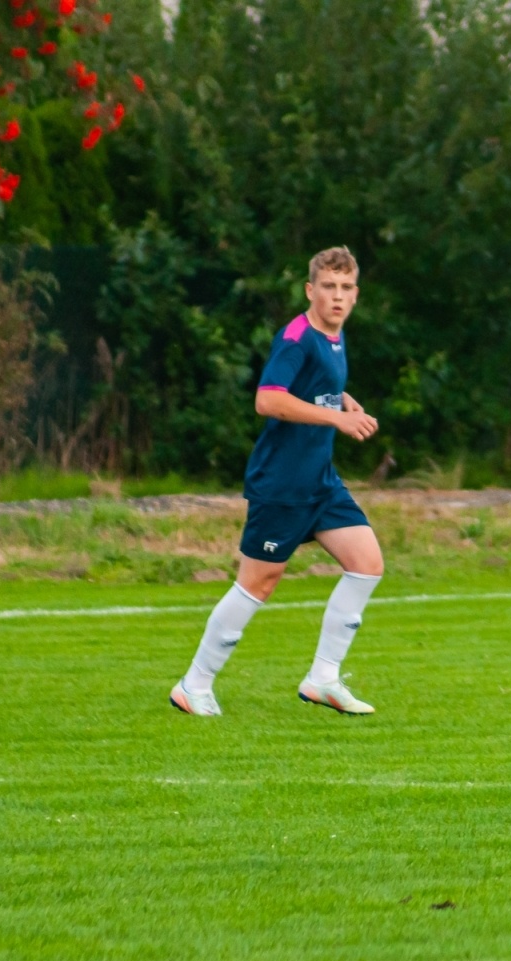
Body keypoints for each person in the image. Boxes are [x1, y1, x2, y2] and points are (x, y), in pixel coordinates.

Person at [169, 246, 384, 717]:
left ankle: (323, 679)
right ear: (311, 290)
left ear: (355, 295)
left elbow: (315, 384)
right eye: (328, 287)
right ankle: (194, 684)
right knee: (258, 584)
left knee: (367, 564)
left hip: (320, 482)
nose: (337, 296)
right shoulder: (297, 337)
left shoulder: (333, 336)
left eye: (346, 288)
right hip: (282, 484)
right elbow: (268, 400)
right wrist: (336, 419)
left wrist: (343, 401)